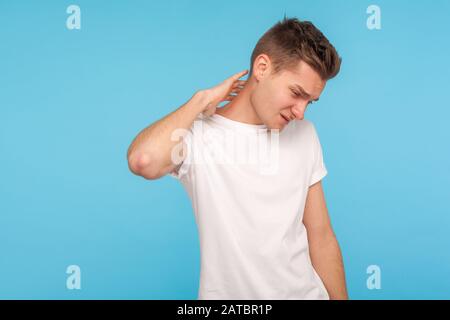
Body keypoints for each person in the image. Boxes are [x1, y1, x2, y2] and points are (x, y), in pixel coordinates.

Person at [127, 17, 348, 300]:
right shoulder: (198, 137)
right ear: (262, 68)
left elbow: (321, 236)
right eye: (296, 93)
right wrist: (199, 100)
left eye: (310, 102)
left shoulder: (305, 134)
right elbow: (143, 160)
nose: (300, 112)